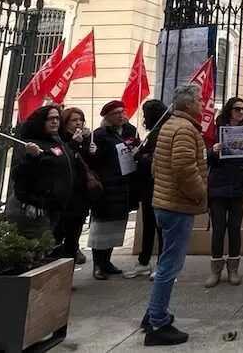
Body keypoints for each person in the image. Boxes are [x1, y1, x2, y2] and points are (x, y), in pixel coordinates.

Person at [141, 85, 208, 346]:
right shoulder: (184, 129)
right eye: (199, 99)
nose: (202, 103)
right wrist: (200, 193)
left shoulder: (170, 125)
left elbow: (158, 167)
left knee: (166, 262)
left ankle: (152, 313)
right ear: (188, 104)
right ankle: (157, 323)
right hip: (177, 206)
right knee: (170, 265)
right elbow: (184, 169)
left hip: (166, 203)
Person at [206, 97, 243, 287]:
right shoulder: (216, 130)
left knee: (234, 227)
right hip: (218, 185)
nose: (241, 112)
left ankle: (233, 269)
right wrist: (213, 151)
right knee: (218, 228)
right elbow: (205, 155)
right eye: (237, 109)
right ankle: (215, 269)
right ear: (229, 110)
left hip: (239, 185)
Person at [6, 104, 75, 241]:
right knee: (35, 246)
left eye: (57, 118)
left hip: (54, 207)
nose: (55, 122)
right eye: (50, 119)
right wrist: (32, 157)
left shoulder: (56, 141)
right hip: (34, 208)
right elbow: (18, 175)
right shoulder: (29, 145)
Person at [89, 100, 141, 280]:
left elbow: (135, 147)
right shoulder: (100, 135)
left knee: (115, 226)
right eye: (116, 113)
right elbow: (95, 160)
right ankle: (98, 264)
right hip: (106, 186)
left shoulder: (128, 131)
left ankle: (107, 261)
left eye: (122, 112)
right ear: (107, 117)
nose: (121, 116)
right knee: (101, 227)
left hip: (123, 185)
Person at [127, 100, 170, 279]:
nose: (144, 118)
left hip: (156, 185)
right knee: (150, 225)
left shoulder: (160, 133)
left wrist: (139, 156)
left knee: (158, 226)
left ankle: (161, 264)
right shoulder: (155, 132)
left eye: (146, 114)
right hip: (148, 186)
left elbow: (157, 159)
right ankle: (144, 261)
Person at [55, 107, 97, 264]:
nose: (78, 123)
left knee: (74, 233)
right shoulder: (59, 138)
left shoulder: (86, 139)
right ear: (65, 122)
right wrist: (73, 144)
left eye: (81, 120)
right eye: (74, 120)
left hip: (80, 195)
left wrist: (91, 151)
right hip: (65, 194)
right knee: (59, 233)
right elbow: (61, 159)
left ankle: (71, 260)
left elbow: (88, 166)